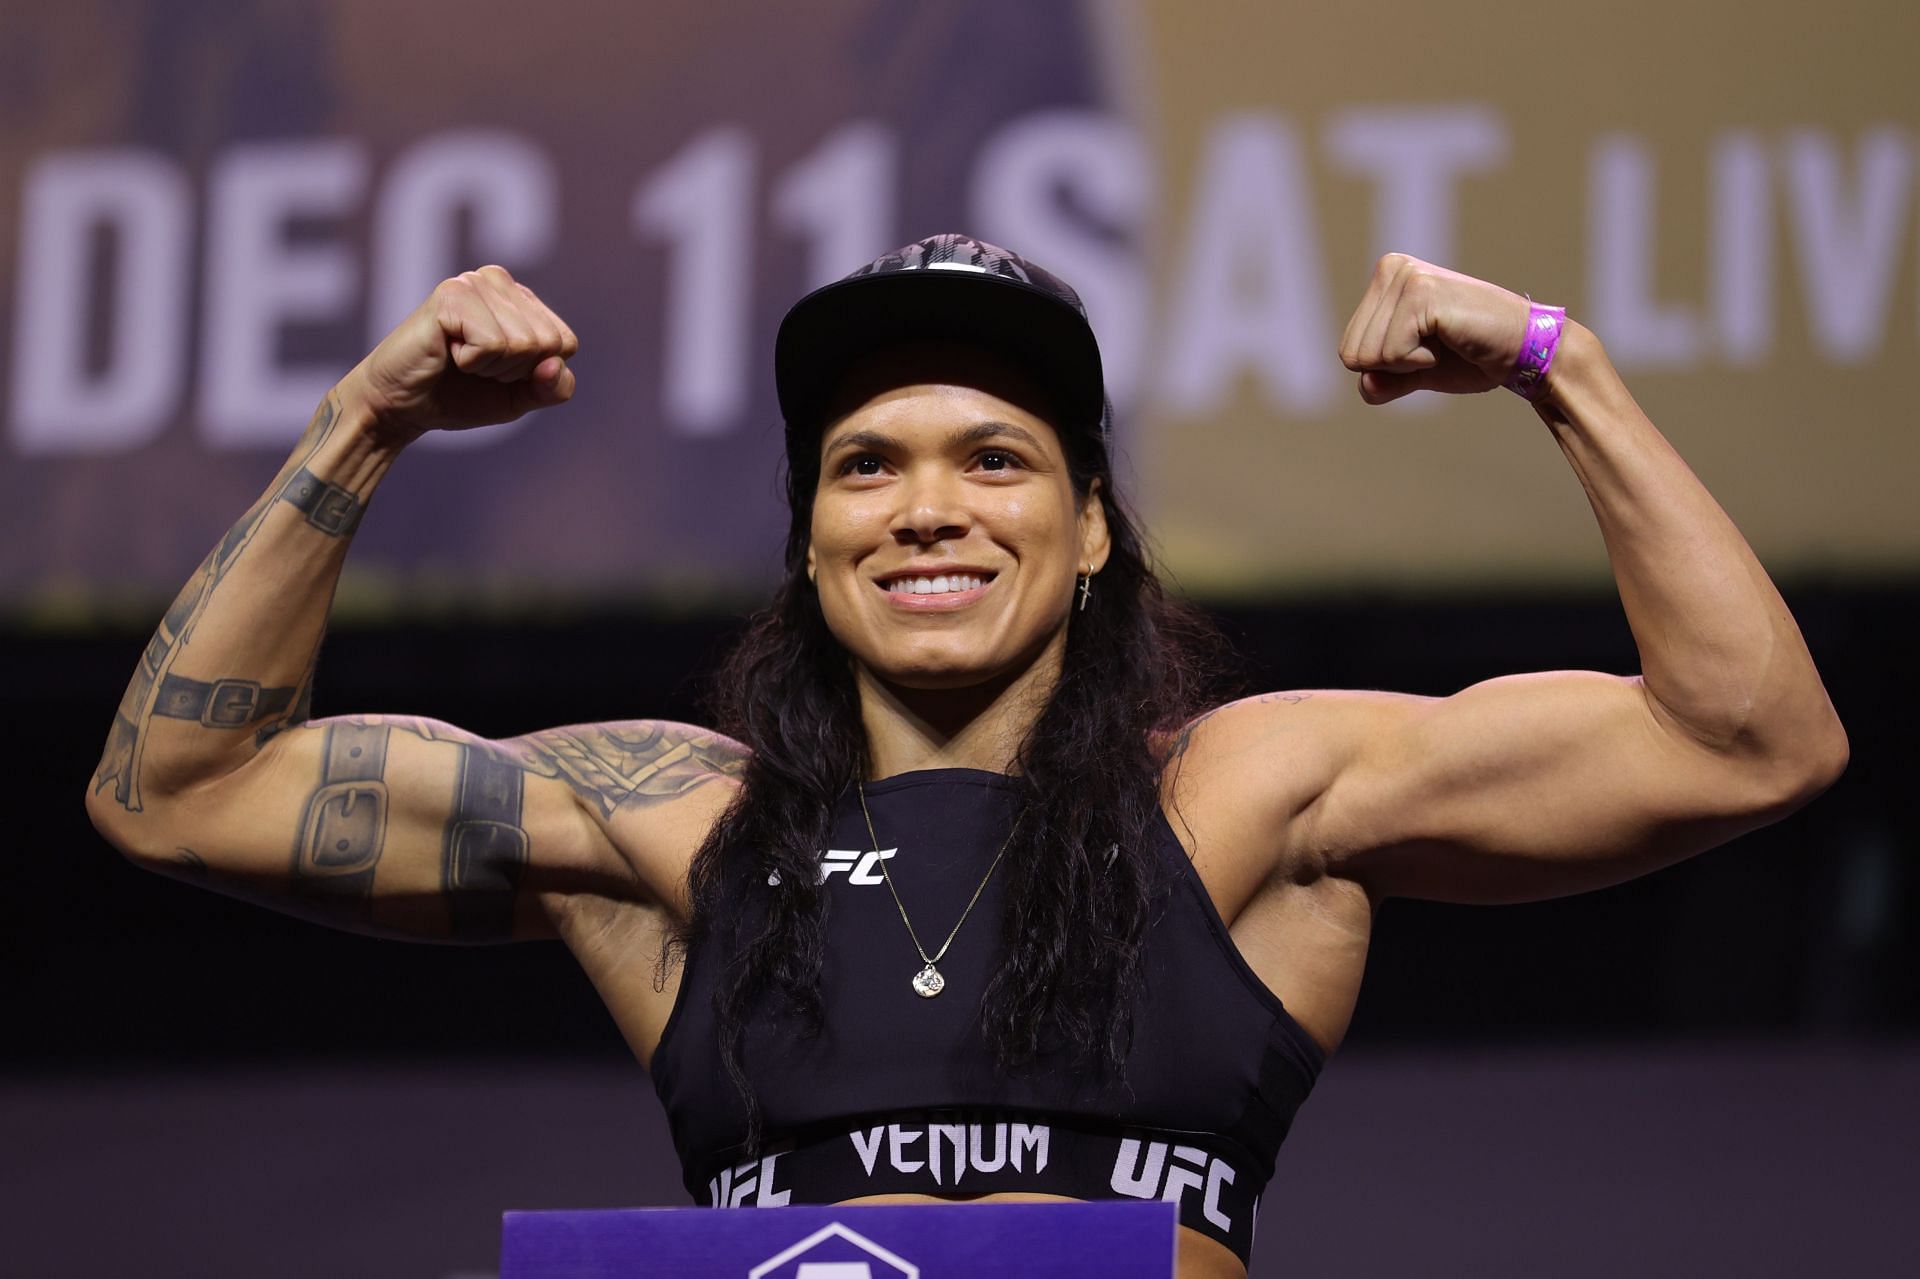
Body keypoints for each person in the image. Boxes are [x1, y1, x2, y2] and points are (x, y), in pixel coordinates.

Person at [86, 233, 1847, 1278]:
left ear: (1092, 533)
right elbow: (172, 796)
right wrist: (366, 416)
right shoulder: (676, 825)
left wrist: (1563, 365)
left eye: (995, 459)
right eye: (866, 466)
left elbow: (1747, 740)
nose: (927, 506)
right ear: (807, 543)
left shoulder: (1242, 798)